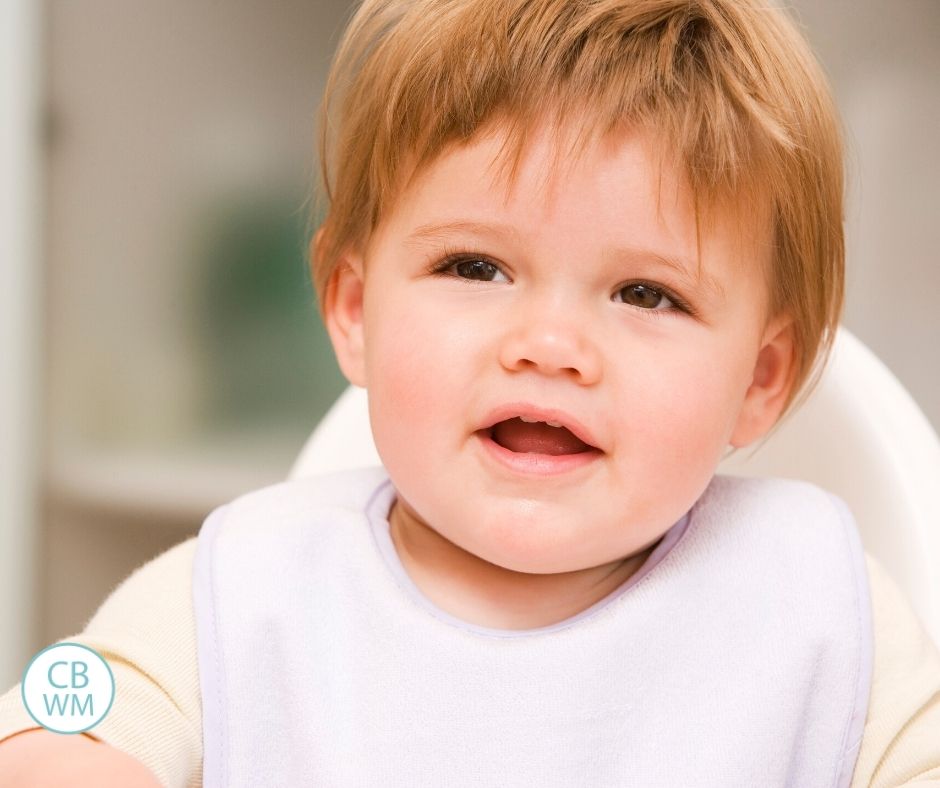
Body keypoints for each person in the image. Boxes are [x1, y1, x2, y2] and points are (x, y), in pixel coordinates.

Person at [2, 0, 939, 785]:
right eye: (477, 266)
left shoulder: (814, 600)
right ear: (357, 310)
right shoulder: (244, 591)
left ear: (760, 379)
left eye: (646, 293)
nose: (550, 347)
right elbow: (70, 722)